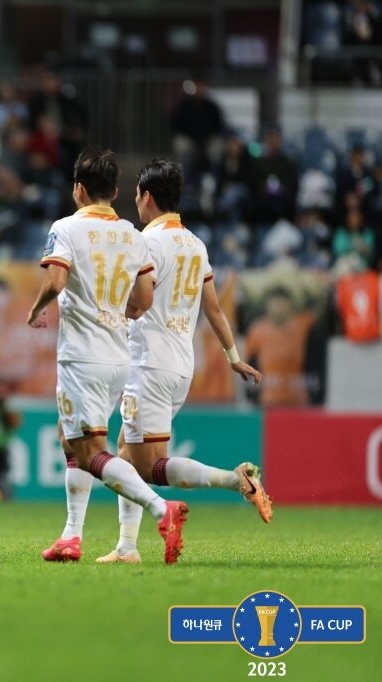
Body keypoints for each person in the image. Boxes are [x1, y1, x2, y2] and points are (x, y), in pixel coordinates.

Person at [86, 160, 271, 564]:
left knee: (146, 467)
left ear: (146, 197)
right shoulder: (196, 244)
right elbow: (216, 310)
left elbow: (138, 301)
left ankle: (233, 479)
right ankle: (127, 547)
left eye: (136, 195)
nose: (135, 202)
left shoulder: (145, 243)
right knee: (127, 453)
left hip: (148, 363)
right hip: (180, 367)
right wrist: (234, 358)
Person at [26, 148, 188, 565]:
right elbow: (145, 298)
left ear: (78, 188)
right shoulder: (133, 235)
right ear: (115, 191)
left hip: (82, 357)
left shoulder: (66, 227)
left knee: (89, 449)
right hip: (119, 358)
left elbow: (57, 279)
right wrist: (120, 312)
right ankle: (71, 535)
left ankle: (159, 508)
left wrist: (36, 306)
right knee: (71, 439)